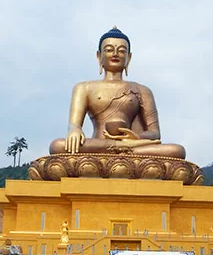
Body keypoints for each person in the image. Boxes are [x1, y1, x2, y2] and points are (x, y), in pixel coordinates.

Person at [49, 26, 185, 158]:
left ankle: (124, 149)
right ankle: (122, 149)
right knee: (58, 146)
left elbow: (155, 133)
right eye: (109, 50)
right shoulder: (84, 88)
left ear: (129, 57)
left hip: (132, 144)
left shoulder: (142, 90)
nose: (115, 54)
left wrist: (135, 138)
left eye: (121, 51)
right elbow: (74, 124)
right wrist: (75, 130)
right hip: (99, 144)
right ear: (99, 56)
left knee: (176, 151)